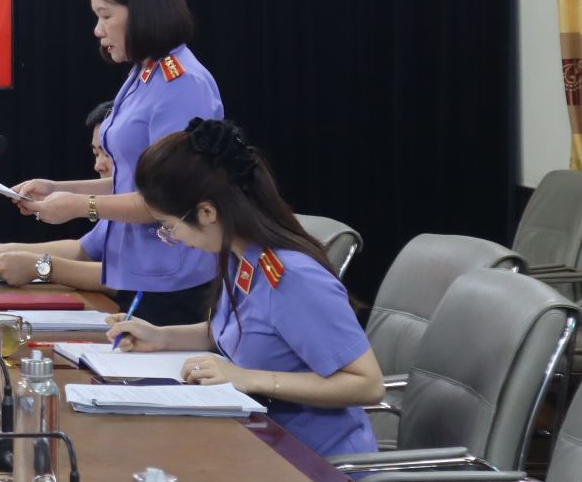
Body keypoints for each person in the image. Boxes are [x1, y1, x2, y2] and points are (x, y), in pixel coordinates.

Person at [107, 119, 382, 459]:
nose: (170, 237)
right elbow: (236, 332)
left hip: (315, 461)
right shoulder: (241, 257)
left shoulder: (293, 278)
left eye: (169, 226)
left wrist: (248, 378)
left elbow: (368, 384)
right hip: (258, 442)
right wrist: (163, 337)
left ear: (207, 212)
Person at [10, 0, 221, 324]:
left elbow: (167, 198)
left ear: (142, 12)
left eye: (106, 16)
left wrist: (80, 206)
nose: (98, 30)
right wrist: (58, 188)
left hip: (171, 279)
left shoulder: (183, 83)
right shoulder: (144, 74)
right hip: (136, 271)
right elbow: (131, 180)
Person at [0, 101, 114, 290]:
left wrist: (40, 267)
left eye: (108, 154)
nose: (98, 165)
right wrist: (2, 252)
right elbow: (85, 250)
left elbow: (127, 279)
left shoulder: (145, 206)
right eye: (96, 153)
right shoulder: (116, 201)